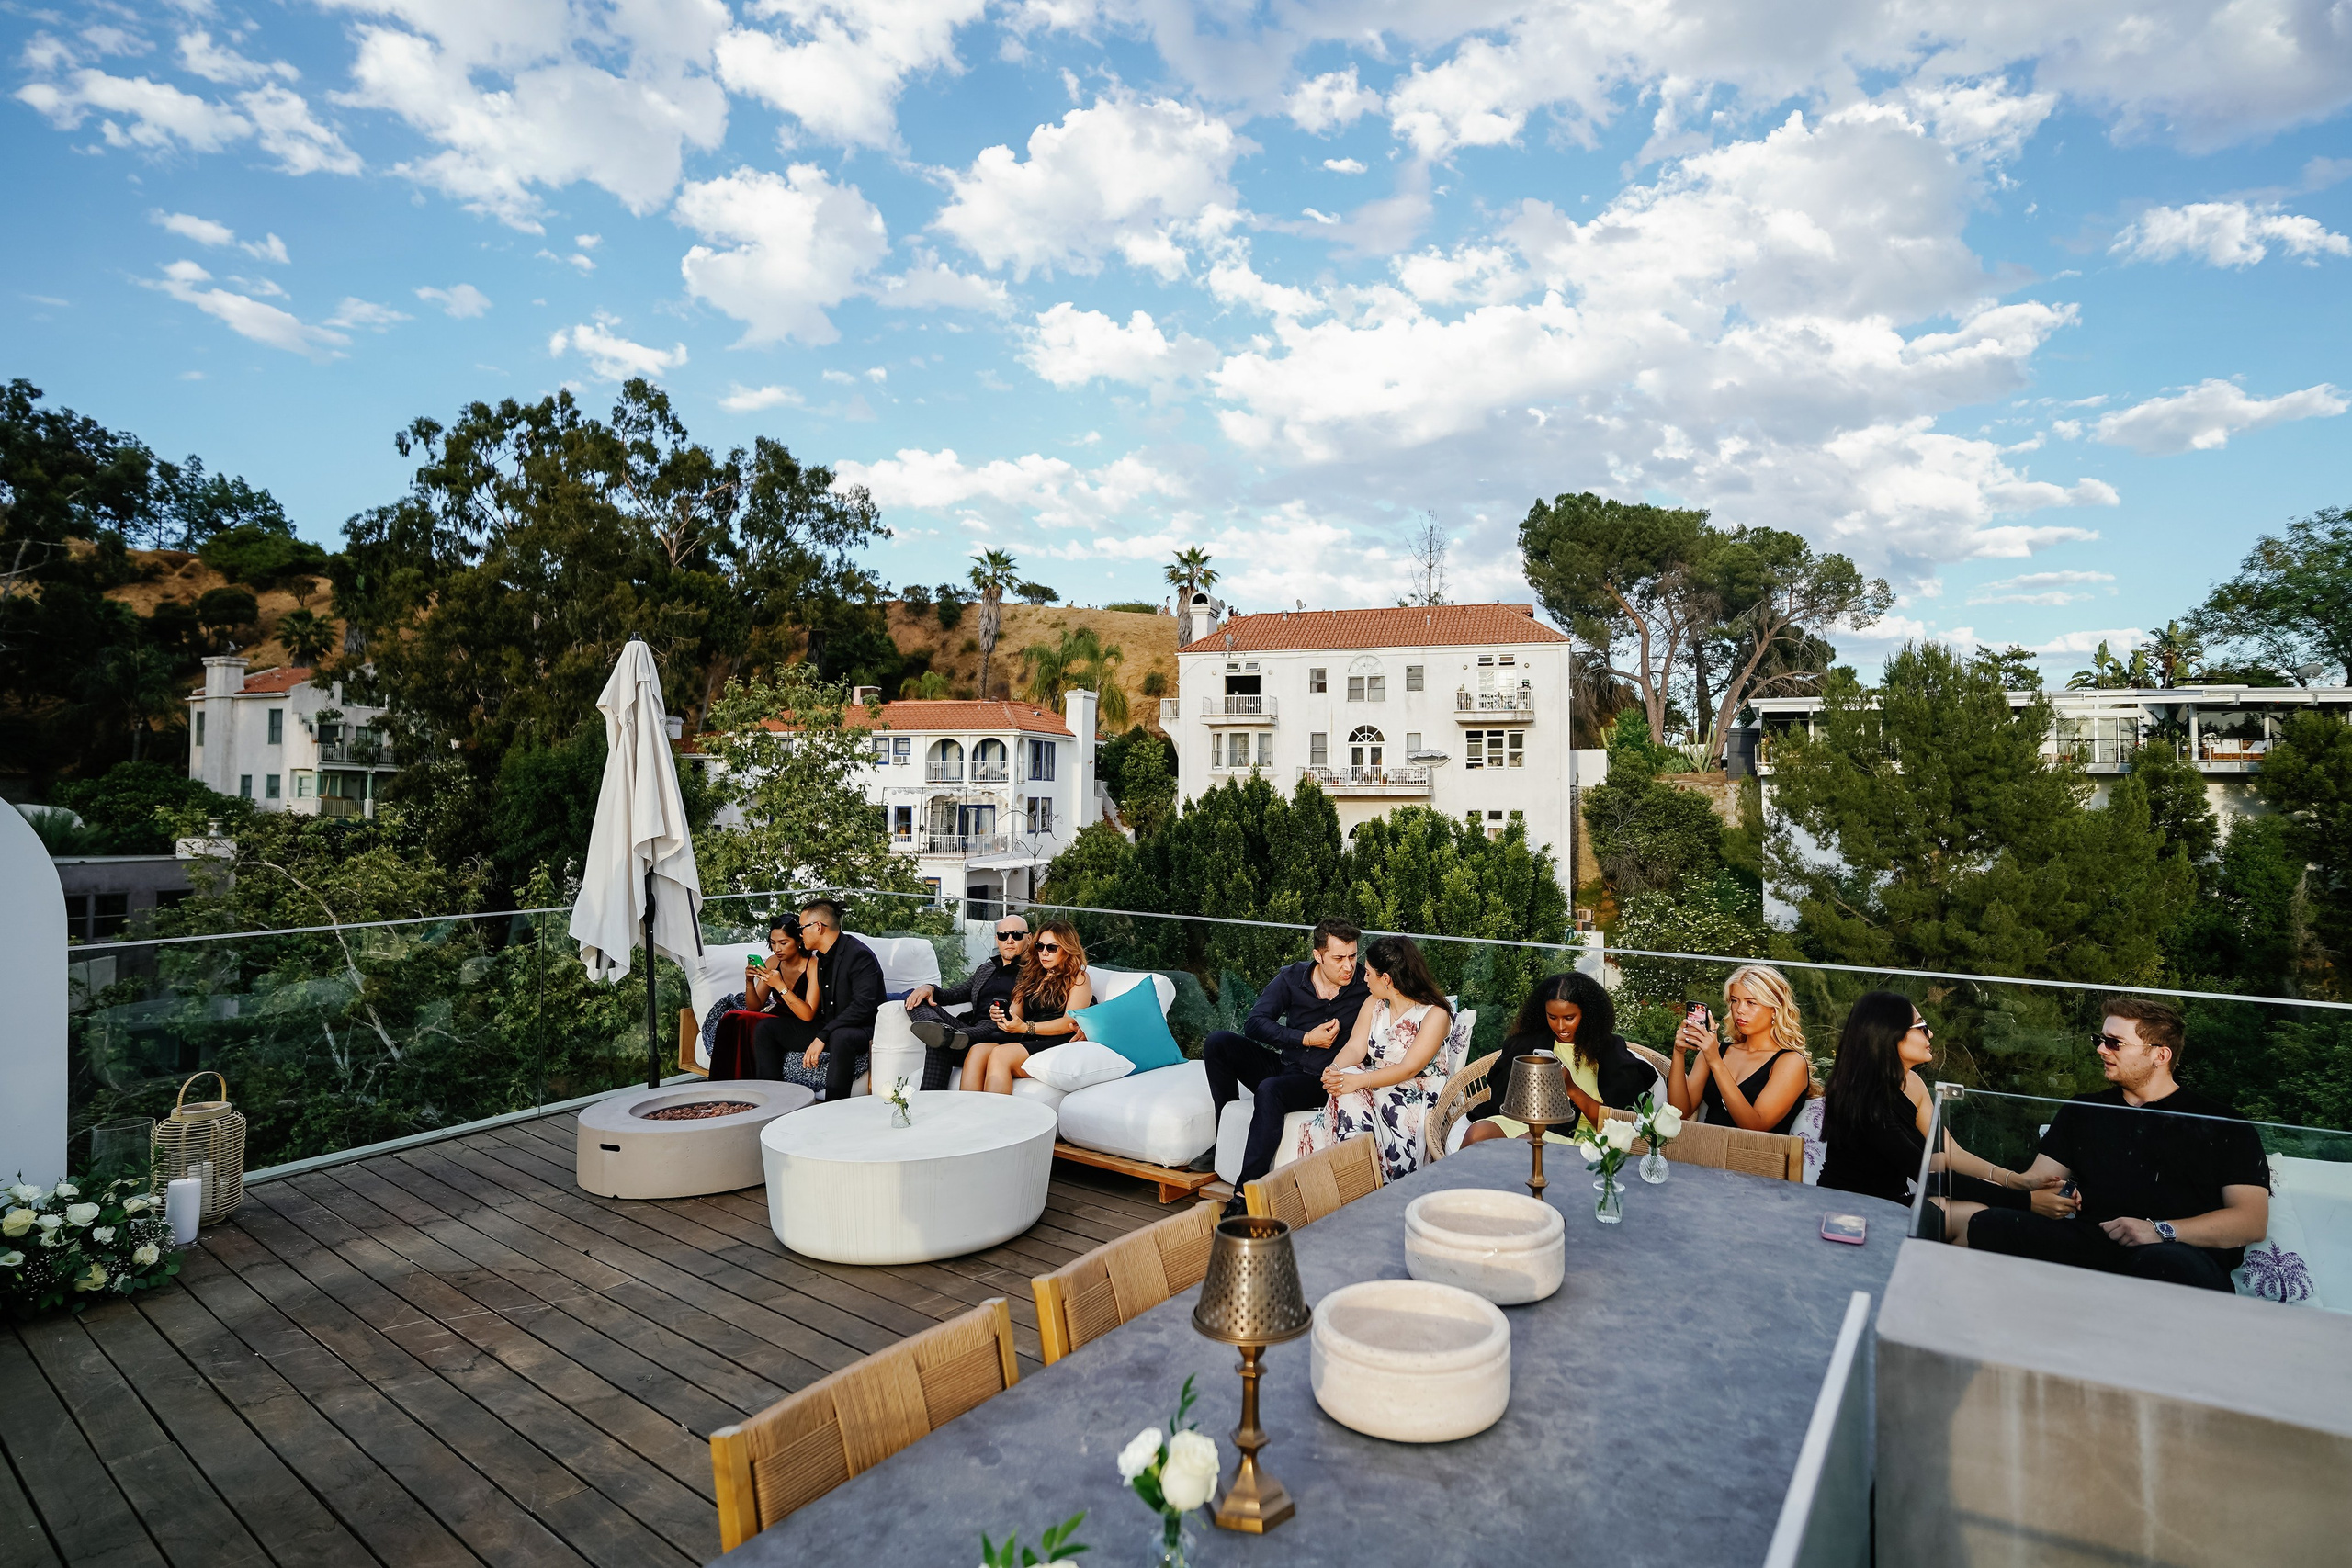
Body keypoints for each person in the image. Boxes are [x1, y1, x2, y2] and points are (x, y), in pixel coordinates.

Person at [1964, 998, 2269, 1293]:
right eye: (2100, 1039)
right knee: (1992, 1224)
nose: (2100, 1049)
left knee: (2161, 1262)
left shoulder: (2223, 1122)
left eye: (2114, 1043)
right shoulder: (2083, 1110)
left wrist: (2160, 1231)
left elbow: (2251, 1221)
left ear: (2159, 1056)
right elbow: (2039, 1181)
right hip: (2093, 1242)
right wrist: (2052, 1193)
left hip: (2180, 1254)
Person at [1816, 990, 2044, 1234]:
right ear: (1888, 1033)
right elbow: (1925, 1173)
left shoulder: (1912, 1083)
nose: (1931, 1034)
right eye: (1921, 1026)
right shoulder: (1865, 1101)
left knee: (1980, 1206)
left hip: (1893, 1201)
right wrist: (2028, 1202)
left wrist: (2015, 1180)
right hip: (1852, 1210)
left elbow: (1949, 1152)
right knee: (1976, 1217)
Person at [1204, 919, 1369, 1204]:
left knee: (1270, 1089)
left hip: (1319, 1080)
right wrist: (1304, 1038)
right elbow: (1254, 1024)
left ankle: (1245, 1195)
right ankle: (1222, 1139)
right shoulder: (1292, 979)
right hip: (1286, 1064)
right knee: (1218, 1043)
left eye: (1353, 956)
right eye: (1339, 958)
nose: (1349, 966)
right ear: (1318, 955)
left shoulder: (1365, 987)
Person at [1299, 935, 1456, 1184]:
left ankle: (1358, 1181)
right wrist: (1335, 1069)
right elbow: (1355, 1047)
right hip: (1376, 1084)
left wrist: (1359, 1080)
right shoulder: (1374, 1003)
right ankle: (1357, 1179)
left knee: (1350, 1090)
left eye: (1369, 973)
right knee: (1346, 1090)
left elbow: (1409, 1068)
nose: (1363, 977)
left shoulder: (1435, 1014)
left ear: (1386, 979)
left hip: (1415, 1094)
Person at [1464, 970, 1660, 1147]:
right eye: (1552, 1017)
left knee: (1526, 1144)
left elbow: (1620, 1125)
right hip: (1527, 1122)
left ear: (1588, 1015)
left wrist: (1570, 1088)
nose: (1560, 1026)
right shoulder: (1528, 1044)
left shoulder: (1608, 1051)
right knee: (1477, 1134)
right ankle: (1456, 1187)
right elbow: (1504, 1098)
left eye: (1569, 1017)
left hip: (1581, 1135)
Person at [1668, 964, 1813, 1136]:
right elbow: (1680, 1112)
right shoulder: (1717, 1051)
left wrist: (1715, 1062)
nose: (1739, 1010)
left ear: (1775, 1009)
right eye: (1735, 1001)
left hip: (1753, 1160)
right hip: (1704, 1153)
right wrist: (1678, 1053)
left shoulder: (1790, 1062)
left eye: (1751, 1002)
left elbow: (1756, 1126)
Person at [962, 919, 1093, 1094]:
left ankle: (992, 1118)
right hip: (1028, 1036)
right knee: (977, 1051)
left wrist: (1026, 1027)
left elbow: (1068, 1023)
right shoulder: (1031, 975)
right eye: (1040, 946)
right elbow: (1015, 1012)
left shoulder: (1079, 978)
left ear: (1067, 949)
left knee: (1001, 1055)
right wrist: (1001, 1016)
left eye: (1052, 948)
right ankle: (964, 1116)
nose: (1044, 953)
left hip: (1057, 1040)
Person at [903, 914, 1027, 1089]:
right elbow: (952, 994)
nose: (1009, 940)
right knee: (915, 998)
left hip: (998, 1031)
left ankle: (927, 1105)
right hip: (966, 1031)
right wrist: (928, 987)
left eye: (1017, 935)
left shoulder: (1033, 973)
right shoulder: (986, 969)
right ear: (996, 939)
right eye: (1003, 935)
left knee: (940, 1044)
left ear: (1029, 938)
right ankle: (938, 1028)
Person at [785, 897, 886, 1102]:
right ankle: (776, 1105)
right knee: (767, 1029)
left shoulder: (859, 955)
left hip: (862, 1028)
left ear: (818, 927)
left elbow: (863, 1006)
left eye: (802, 927)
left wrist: (823, 1035)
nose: (800, 933)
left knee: (841, 1037)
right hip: (831, 1026)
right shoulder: (820, 958)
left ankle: (832, 1111)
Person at [708, 913, 820, 1080]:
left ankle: (762, 1087)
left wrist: (780, 986)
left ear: (799, 941)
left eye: (783, 943)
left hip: (803, 1023)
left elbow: (808, 1014)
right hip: (777, 1016)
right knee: (732, 1018)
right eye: (773, 943)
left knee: (761, 1026)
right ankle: (725, 1085)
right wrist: (749, 981)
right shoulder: (773, 962)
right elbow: (754, 1007)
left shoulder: (813, 965)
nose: (777, 949)